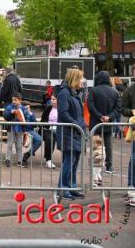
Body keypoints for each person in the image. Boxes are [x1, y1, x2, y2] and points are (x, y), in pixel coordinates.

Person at [57, 68, 86, 200]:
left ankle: (71, 186)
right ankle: (63, 188)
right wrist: (76, 124)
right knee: (69, 160)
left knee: (74, 161)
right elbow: (63, 114)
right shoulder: (64, 93)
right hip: (69, 132)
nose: (82, 81)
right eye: (80, 78)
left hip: (76, 132)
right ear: (75, 79)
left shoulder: (75, 93)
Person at [87, 71, 120, 174]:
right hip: (108, 123)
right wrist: (109, 117)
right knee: (108, 144)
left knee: (96, 144)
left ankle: (95, 165)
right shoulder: (114, 92)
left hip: (96, 122)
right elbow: (118, 108)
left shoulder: (93, 91)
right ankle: (109, 166)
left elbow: (90, 105)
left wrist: (99, 116)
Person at [3, 93, 30, 167]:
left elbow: (27, 118)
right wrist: (11, 113)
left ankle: (20, 160)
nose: (13, 101)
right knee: (10, 145)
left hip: (20, 129)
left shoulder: (23, 108)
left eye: (15, 100)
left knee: (19, 145)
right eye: (13, 100)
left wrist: (25, 124)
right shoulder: (9, 107)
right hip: (11, 128)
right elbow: (6, 117)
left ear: (20, 100)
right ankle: (7, 159)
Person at [121, 82, 135, 206]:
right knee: (134, 159)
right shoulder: (130, 90)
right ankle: (131, 188)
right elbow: (122, 108)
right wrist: (131, 111)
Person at [21, 102, 43, 167]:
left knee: (39, 139)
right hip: (21, 130)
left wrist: (31, 117)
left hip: (30, 130)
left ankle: (28, 154)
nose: (27, 110)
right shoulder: (20, 113)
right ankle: (22, 160)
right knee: (25, 140)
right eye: (26, 108)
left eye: (28, 108)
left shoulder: (31, 114)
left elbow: (35, 125)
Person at [40, 94, 59, 169]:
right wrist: (48, 126)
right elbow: (43, 120)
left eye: (54, 99)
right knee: (50, 139)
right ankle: (48, 160)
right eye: (51, 99)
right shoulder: (48, 108)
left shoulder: (62, 109)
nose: (51, 101)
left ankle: (66, 159)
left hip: (59, 129)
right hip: (47, 129)